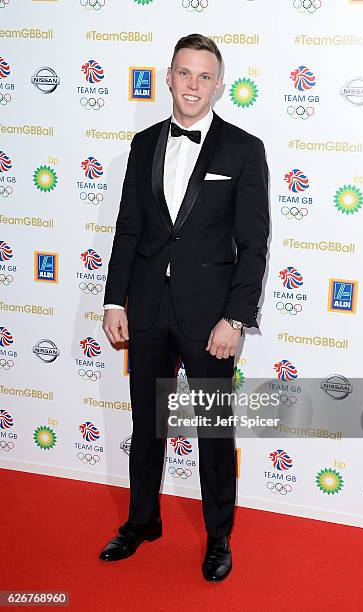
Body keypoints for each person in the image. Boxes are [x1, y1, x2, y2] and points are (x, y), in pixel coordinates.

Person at [100, 33, 269, 582]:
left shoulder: (244, 149)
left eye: (203, 76)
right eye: (183, 73)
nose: (192, 85)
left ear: (219, 85)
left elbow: (254, 244)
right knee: (146, 426)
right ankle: (142, 521)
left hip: (211, 319)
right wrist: (112, 300)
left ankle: (219, 537)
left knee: (214, 433)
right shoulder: (144, 143)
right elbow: (128, 228)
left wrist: (236, 318)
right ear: (167, 77)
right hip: (146, 310)